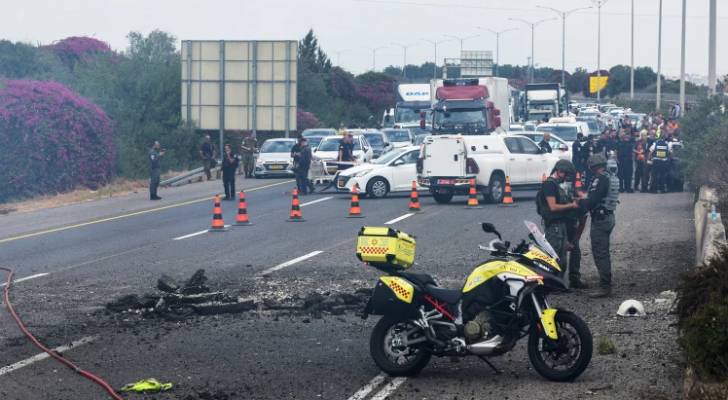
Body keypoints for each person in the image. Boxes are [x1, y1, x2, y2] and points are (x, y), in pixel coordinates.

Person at [579, 154, 619, 298]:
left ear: (594, 166)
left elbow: (593, 200)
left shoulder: (600, 179)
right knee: (604, 251)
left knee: (600, 252)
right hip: (608, 216)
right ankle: (605, 283)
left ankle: (605, 287)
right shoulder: (610, 177)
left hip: (601, 219)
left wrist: (577, 202)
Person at [536, 160, 581, 272]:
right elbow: (553, 207)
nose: (566, 178)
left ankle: (559, 285)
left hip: (561, 225)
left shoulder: (556, 185)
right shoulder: (549, 185)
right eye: (566, 174)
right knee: (553, 258)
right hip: (553, 227)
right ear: (560, 171)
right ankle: (550, 287)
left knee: (562, 260)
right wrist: (572, 205)